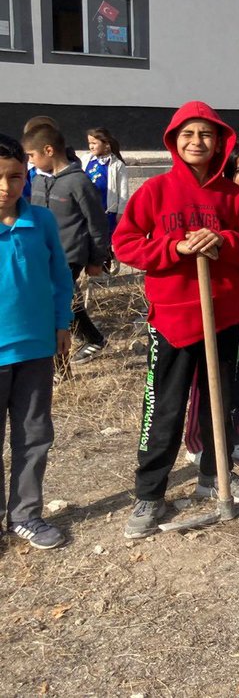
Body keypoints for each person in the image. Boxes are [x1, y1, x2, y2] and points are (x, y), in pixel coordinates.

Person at [113, 102, 239, 539]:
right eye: (187, 134)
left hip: (223, 317)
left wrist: (223, 240)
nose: (196, 142)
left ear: (220, 141)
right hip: (172, 319)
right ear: (173, 141)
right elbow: (125, 244)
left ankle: (214, 475)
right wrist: (174, 248)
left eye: (205, 134)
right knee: (163, 408)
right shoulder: (155, 192)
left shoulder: (234, 197)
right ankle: (149, 494)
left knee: (222, 403)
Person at [0, 133, 74, 550]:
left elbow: (60, 279)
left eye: (14, 176)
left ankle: (26, 514)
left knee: (33, 435)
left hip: (36, 350)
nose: (6, 187)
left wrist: (62, 323)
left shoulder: (40, 220)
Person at [183, 141, 239, 465]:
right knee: (209, 376)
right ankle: (197, 440)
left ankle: (232, 435)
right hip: (224, 302)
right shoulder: (225, 208)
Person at [23, 125, 109, 368]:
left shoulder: (78, 182)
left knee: (59, 305)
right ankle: (94, 339)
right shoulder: (38, 180)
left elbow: (97, 223)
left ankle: (61, 367)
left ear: (48, 150)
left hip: (69, 256)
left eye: (32, 155)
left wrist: (96, 259)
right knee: (68, 303)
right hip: (42, 255)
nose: (29, 161)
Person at [79, 127, 129, 240]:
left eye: (94, 143)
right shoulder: (86, 160)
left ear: (106, 143)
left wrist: (121, 212)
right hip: (87, 209)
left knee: (105, 239)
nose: (91, 146)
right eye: (89, 143)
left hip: (107, 211)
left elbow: (123, 192)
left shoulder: (117, 165)